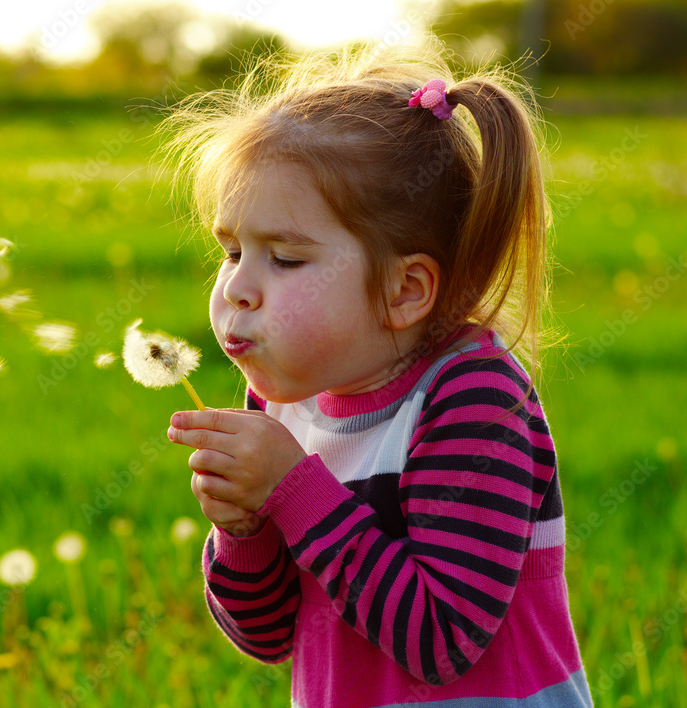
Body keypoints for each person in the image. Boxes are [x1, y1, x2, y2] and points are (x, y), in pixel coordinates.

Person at [162, 39, 593, 707]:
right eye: (232, 250)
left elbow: (442, 640)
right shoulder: (287, 405)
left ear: (405, 290)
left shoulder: (473, 399)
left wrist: (293, 489)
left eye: (286, 258)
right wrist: (242, 531)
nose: (238, 289)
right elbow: (270, 636)